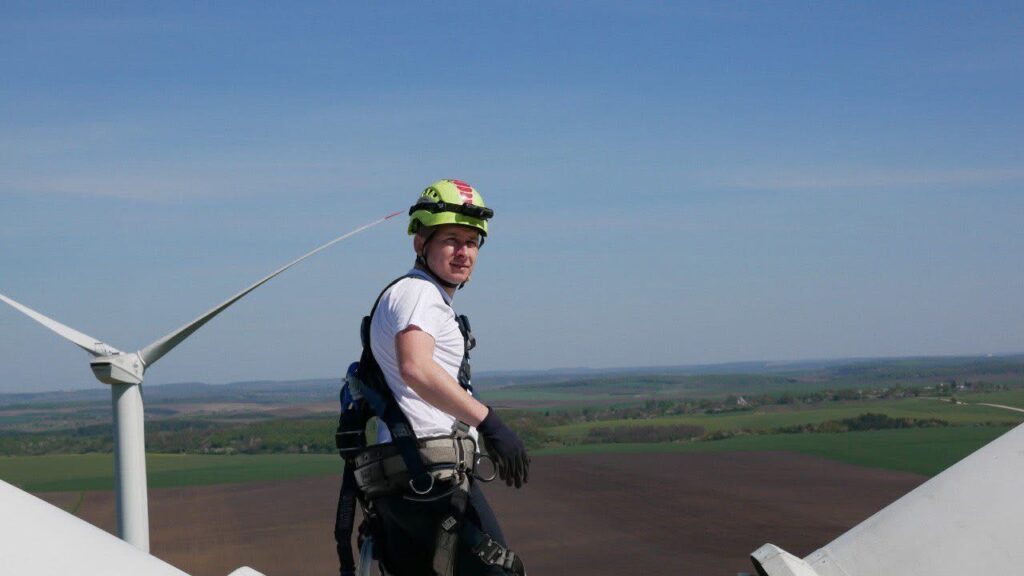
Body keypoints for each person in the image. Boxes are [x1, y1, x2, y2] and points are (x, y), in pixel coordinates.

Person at [360, 179, 529, 576]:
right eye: (451, 240)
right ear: (421, 242)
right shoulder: (419, 294)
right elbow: (415, 367)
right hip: (429, 476)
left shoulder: (415, 294)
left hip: (404, 478)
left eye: (472, 242)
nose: (463, 252)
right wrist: (489, 422)